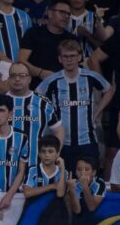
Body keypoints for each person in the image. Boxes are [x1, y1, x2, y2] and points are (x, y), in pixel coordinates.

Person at [37, 40, 113, 168]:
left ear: (79, 57)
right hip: (62, 143)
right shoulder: (53, 80)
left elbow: (109, 89)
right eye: (65, 56)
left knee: (87, 180)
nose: (69, 60)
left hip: (87, 141)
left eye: (72, 56)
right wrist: (49, 118)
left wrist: (97, 112)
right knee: (63, 181)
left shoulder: (90, 77)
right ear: (60, 59)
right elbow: (36, 97)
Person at [18, 0, 78, 83]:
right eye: (62, 12)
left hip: (63, 86)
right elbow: (21, 61)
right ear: (50, 13)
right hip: (36, 86)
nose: (66, 16)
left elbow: (76, 67)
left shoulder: (72, 39)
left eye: (68, 14)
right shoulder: (33, 33)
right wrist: (40, 73)